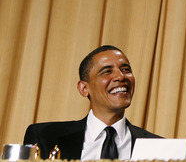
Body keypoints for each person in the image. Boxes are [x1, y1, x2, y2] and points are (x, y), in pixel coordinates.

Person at [23, 45, 161, 160]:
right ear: (84, 88)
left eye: (126, 70)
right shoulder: (45, 136)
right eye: (107, 71)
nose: (120, 76)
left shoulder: (159, 147)